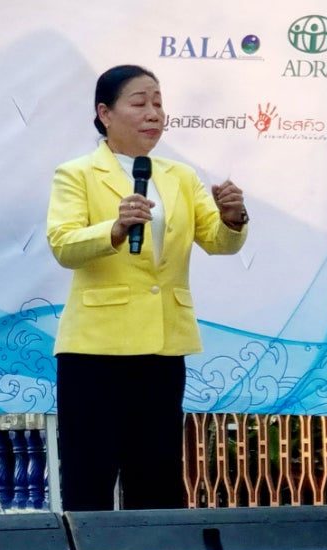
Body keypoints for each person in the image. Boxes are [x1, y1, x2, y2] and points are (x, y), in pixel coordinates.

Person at [46, 64, 248, 511]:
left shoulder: (180, 176)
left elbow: (218, 241)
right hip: (95, 348)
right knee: (90, 471)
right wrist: (114, 229)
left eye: (157, 102)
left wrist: (234, 217)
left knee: (155, 471)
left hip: (161, 342)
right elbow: (63, 245)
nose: (153, 112)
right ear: (105, 113)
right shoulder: (76, 174)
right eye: (139, 103)